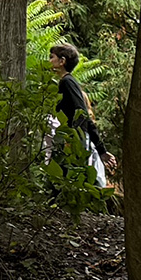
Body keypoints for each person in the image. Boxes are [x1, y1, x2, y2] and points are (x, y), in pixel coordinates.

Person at [50, 43, 113, 187]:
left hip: (73, 140)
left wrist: (75, 138)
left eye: (51, 57)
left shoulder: (67, 82)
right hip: (70, 138)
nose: (49, 61)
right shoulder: (66, 82)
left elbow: (81, 112)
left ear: (62, 61)